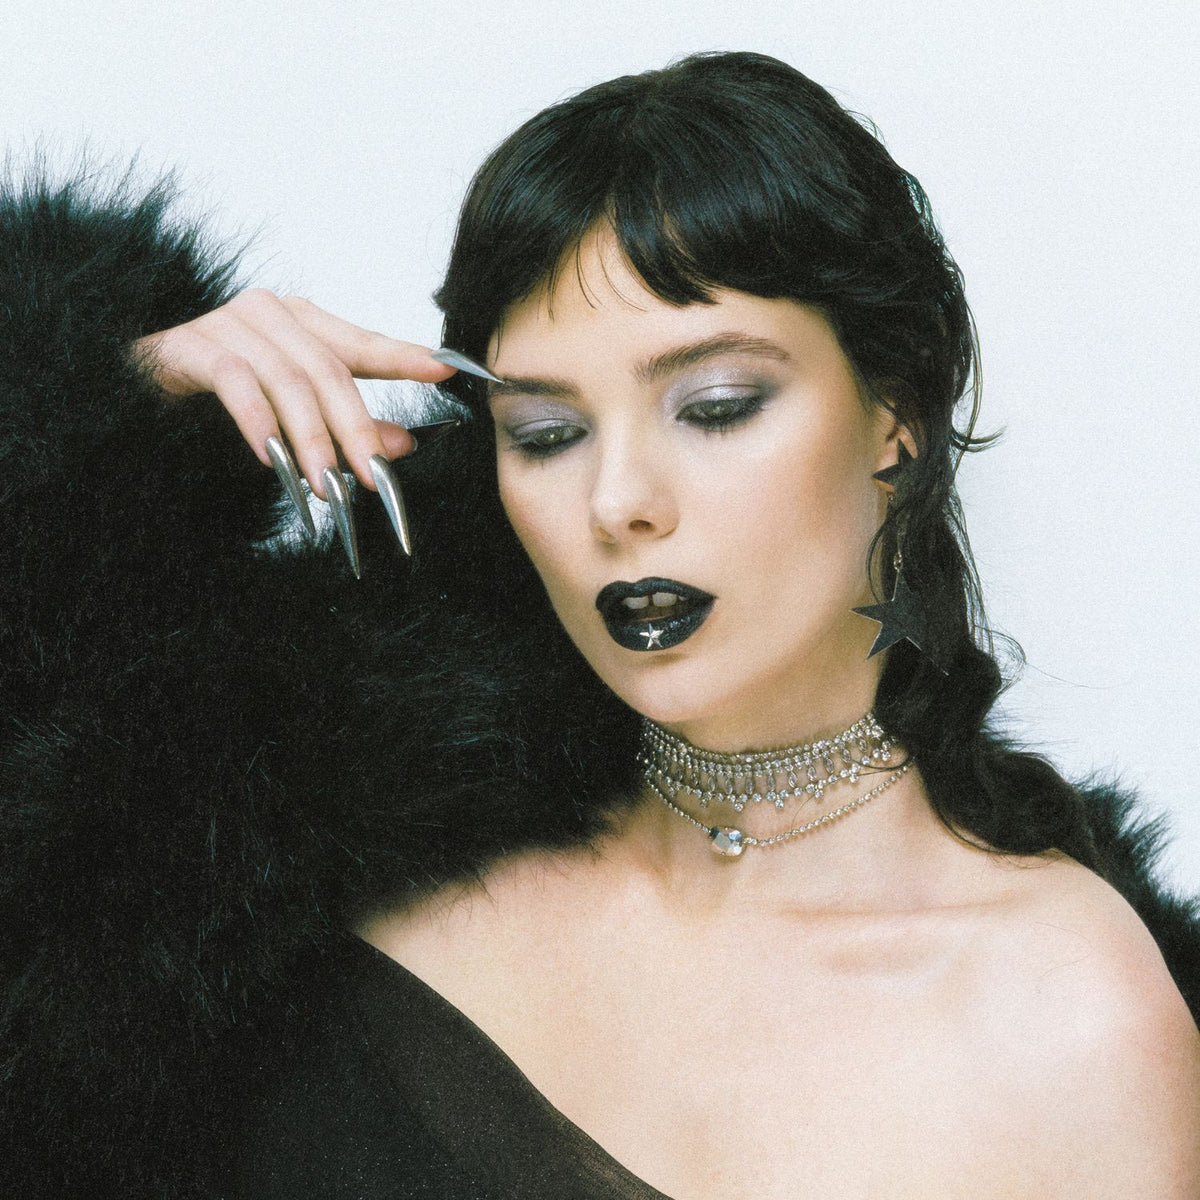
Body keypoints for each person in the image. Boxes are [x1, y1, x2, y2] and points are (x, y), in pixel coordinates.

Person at [2, 51, 1197, 1199]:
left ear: (899, 411)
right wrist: (91, 430)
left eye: (715, 406)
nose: (618, 501)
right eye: (546, 434)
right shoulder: (317, 865)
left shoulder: (1071, 1021)